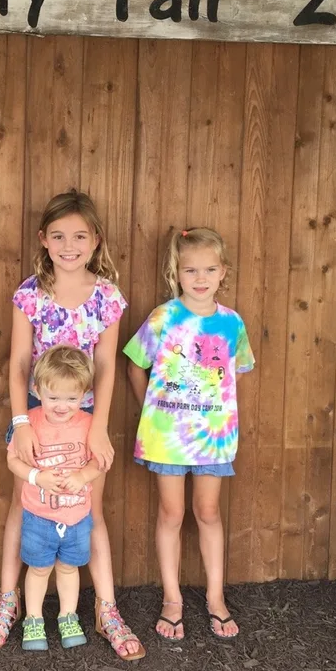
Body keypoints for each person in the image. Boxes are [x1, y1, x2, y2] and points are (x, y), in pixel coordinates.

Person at [0, 189, 145, 661]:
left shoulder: (107, 298)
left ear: (95, 241)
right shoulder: (30, 294)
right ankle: (9, 601)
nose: (68, 245)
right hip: (36, 412)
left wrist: (98, 428)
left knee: (89, 506)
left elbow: (108, 366)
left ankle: (106, 609)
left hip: (87, 416)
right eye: (58, 236)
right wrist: (20, 423)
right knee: (24, 503)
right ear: (43, 240)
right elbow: (16, 365)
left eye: (79, 236)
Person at [123, 227, 254, 642]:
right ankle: (172, 598)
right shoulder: (164, 317)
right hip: (169, 437)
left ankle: (215, 597)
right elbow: (133, 364)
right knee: (171, 513)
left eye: (210, 269)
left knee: (209, 512)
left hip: (213, 437)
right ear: (176, 273)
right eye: (191, 269)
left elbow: (237, 372)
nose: (201, 277)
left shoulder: (232, 323)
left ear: (223, 272)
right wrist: (153, 410)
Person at [6, 345, 100, 651]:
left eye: (72, 399)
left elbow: (99, 461)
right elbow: (13, 461)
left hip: (76, 517)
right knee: (39, 569)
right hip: (38, 516)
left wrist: (82, 476)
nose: (62, 406)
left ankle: (67, 616)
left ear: (85, 395)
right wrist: (37, 477)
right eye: (53, 397)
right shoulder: (30, 423)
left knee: (69, 568)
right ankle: (33, 619)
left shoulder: (88, 425)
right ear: (37, 390)